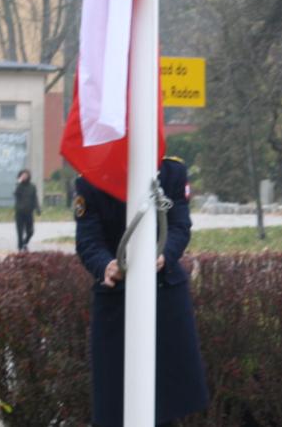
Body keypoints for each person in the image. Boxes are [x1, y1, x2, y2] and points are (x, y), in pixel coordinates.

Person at [73, 156, 209, 426]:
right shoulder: (90, 178)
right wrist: (106, 266)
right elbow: (87, 239)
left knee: (166, 402)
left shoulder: (171, 172)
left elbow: (180, 225)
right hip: (116, 300)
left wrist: (164, 255)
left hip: (164, 294)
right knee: (114, 401)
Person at [15, 169, 39, 252]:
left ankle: (25, 242)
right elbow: (16, 194)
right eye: (22, 175)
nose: (24, 177)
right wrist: (19, 183)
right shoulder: (19, 186)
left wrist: (37, 208)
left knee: (30, 231)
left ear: (29, 176)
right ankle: (20, 248)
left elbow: (35, 198)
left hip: (29, 212)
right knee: (20, 232)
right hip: (20, 212)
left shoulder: (32, 187)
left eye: (26, 175)